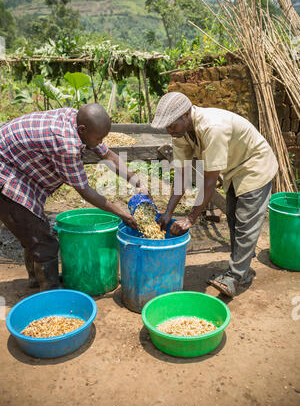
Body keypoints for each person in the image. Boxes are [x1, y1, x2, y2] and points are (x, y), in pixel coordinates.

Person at [0, 103, 145, 291]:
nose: (101, 141)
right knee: (44, 241)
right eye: (99, 137)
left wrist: (138, 182)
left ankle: (37, 280)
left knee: (34, 231)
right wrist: (124, 215)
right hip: (5, 174)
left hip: (17, 167)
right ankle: (53, 297)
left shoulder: (76, 120)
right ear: (82, 130)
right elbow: (85, 190)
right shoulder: (66, 144)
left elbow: (108, 155)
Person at [151, 92, 278, 298]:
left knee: (245, 222)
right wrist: (168, 213)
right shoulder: (181, 133)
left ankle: (235, 276)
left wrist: (191, 218)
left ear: (185, 115)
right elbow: (182, 176)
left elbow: (209, 181)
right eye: (166, 126)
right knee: (233, 220)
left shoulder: (212, 127)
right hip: (234, 169)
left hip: (255, 165)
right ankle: (241, 269)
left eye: (171, 125)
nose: (169, 130)